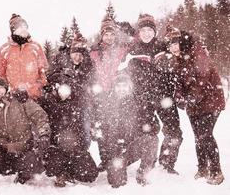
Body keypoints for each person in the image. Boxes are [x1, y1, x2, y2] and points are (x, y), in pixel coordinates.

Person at [159, 27, 225, 185]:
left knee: (205, 134)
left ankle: (216, 171)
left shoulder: (197, 51)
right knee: (198, 136)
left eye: (175, 43)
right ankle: (202, 168)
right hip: (194, 105)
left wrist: (192, 97)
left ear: (181, 42)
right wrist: (179, 97)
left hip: (210, 101)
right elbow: (180, 83)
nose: (173, 47)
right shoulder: (179, 59)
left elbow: (202, 77)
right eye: (170, 45)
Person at [0, 74, 51, 194]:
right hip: (1, 155)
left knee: (38, 158)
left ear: (6, 88)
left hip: (23, 151)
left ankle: (24, 176)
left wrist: (44, 134)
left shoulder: (21, 100)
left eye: (0, 88)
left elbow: (40, 116)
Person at [127, 14, 182, 174]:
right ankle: (146, 165)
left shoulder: (163, 47)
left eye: (149, 30)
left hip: (164, 96)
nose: (146, 33)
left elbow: (177, 62)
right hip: (143, 99)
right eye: (143, 30)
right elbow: (127, 73)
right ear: (139, 32)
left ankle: (167, 164)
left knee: (174, 131)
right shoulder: (133, 50)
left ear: (154, 31)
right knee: (147, 132)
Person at [42, 34, 98, 187]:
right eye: (75, 52)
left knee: (90, 172)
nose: (77, 56)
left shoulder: (88, 64)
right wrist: (58, 86)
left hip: (79, 105)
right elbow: (50, 76)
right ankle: (61, 169)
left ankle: (75, 164)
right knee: (56, 146)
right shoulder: (61, 60)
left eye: (81, 53)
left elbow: (92, 82)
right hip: (60, 107)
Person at [89, 15, 128, 172]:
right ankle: (105, 159)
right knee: (102, 127)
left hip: (117, 92)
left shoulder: (121, 49)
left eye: (112, 34)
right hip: (100, 94)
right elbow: (88, 70)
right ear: (102, 35)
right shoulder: (94, 52)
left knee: (117, 126)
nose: (109, 37)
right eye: (106, 34)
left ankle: (117, 159)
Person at [0, 14, 49, 100]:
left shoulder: (35, 47)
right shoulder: (4, 50)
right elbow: (0, 74)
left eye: (25, 27)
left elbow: (44, 70)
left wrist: (37, 87)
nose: (23, 29)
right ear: (13, 31)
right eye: (20, 27)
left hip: (36, 97)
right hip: (14, 98)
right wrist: (9, 91)